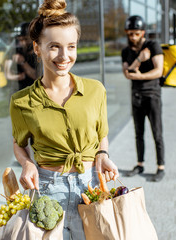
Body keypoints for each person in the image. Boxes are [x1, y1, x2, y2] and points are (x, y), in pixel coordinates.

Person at [9, 0, 119, 239]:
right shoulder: (21, 102)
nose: (64, 56)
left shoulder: (96, 90)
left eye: (71, 46)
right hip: (48, 190)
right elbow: (19, 143)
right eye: (54, 46)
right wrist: (27, 164)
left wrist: (102, 155)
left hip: (91, 188)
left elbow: (102, 135)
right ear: (37, 48)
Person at [121, 15, 165, 182]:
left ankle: (161, 167)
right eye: (130, 33)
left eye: (136, 34)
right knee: (138, 133)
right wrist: (139, 59)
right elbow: (127, 73)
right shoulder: (126, 51)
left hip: (152, 96)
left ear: (143, 32)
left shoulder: (152, 45)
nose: (133, 37)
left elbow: (158, 71)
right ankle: (140, 164)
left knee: (157, 133)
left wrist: (137, 76)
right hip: (136, 97)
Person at [4, 22, 37, 95]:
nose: (23, 43)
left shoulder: (38, 53)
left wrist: (23, 62)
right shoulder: (15, 51)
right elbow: (7, 74)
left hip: (34, 93)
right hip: (17, 92)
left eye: (26, 39)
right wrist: (17, 77)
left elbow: (37, 76)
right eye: (20, 40)